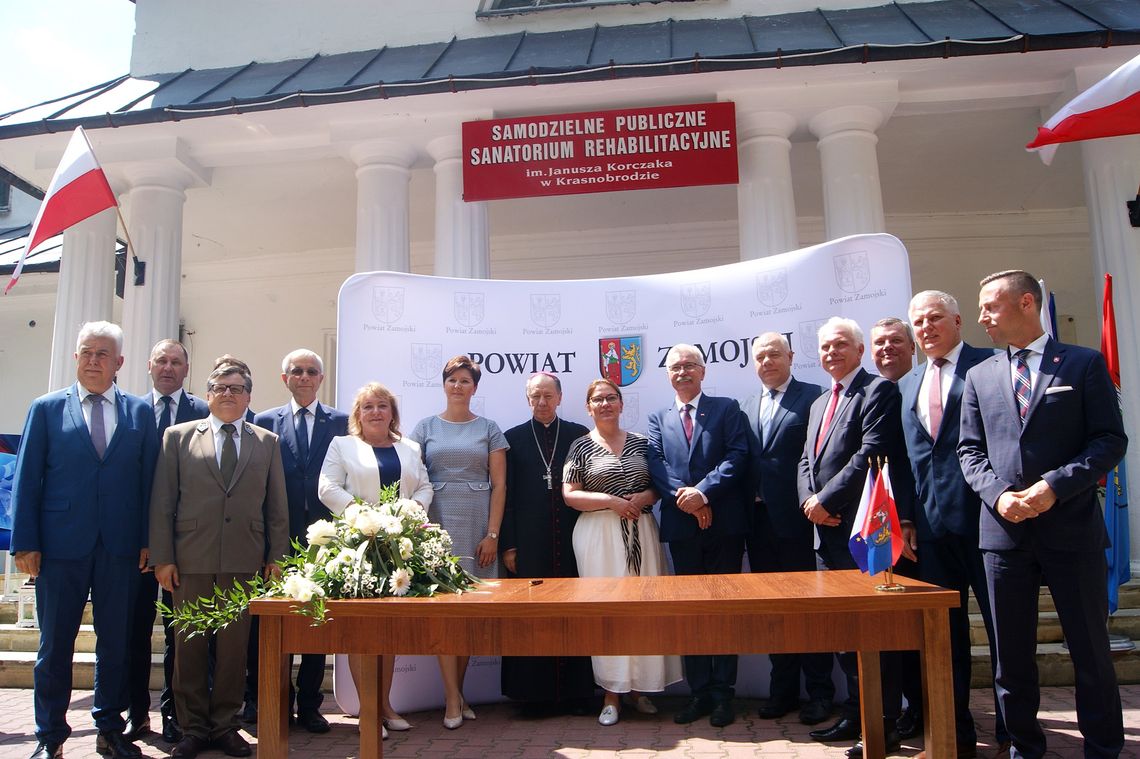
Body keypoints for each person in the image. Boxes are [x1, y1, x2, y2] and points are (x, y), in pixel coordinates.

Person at [958, 270, 1126, 759]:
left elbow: (1109, 441)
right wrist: (998, 495)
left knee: (1091, 651)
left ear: (1027, 303)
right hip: (1004, 535)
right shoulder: (980, 375)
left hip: (1071, 530)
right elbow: (969, 452)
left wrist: (1054, 487)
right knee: (1011, 658)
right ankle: (1023, 749)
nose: (983, 317)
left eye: (991, 306)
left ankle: (1102, 748)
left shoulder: (1083, 364)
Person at [10, 321, 159, 759]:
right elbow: (27, 479)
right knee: (54, 646)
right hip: (59, 548)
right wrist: (25, 542)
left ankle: (110, 730)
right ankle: (49, 737)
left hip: (121, 547)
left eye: (102, 354)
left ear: (119, 363)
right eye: (86, 353)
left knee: (115, 644)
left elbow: (150, 481)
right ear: (76, 358)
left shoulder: (139, 413)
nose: (93, 361)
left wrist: (151, 540)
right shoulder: (46, 408)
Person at [149, 360, 289, 759]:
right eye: (220, 387)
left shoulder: (266, 442)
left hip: (244, 560)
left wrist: (276, 556)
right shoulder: (177, 438)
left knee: (233, 650)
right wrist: (163, 557)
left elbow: (276, 507)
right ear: (208, 395)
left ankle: (225, 726)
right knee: (189, 647)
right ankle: (193, 728)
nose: (228, 393)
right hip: (190, 559)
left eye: (236, 388)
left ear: (248, 396)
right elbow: (163, 502)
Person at [900, 290, 1007, 759]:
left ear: (958, 321)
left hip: (989, 522)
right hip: (931, 531)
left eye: (935, 318)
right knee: (945, 638)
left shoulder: (992, 366)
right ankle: (956, 731)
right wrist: (906, 518)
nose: (926, 327)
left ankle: (1013, 730)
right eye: (919, 321)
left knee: (1005, 632)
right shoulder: (907, 384)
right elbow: (907, 460)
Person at [796, 317, 910, 750]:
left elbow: (871, 452)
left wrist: (827, 501)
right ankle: (856, 713)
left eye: (841, 345)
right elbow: (805, 462)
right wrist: (811, 504)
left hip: (863, 532)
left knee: (874, 632)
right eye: (825, 346)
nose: (831, 353)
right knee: (843, 632)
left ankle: (884, 723)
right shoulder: (818, 402)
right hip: (824, 534)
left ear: (860, 350)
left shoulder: (877, 390)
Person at [563, 378, 682, 726]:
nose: (605, 404)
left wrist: (646, 498)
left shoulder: (642, 444)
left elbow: (658, 486)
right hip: (598, 533)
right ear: (588, 407)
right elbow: (570, 494)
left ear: (621, 403)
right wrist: (610, 502)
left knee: (643, 607)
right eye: (597, 400)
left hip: (641, 531)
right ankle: (611, 695)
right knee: (608, 611)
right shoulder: (580, 447)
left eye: (611, 398)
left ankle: (638, 689)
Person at [318, 382, 432, 739]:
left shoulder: (410, 447)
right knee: (361, 633)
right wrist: (364, 516)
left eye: (382, 406)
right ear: (358, 414)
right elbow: (327, 487)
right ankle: (368, 710)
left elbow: (425, 487)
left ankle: (385, 705)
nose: (376, 412)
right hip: (358, 546)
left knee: (389, 630)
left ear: (392, 413)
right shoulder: (343, 445)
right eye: (368, 407)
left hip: (399, 548)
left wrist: (408, 512)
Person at [245, 350, 348, 733]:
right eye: (296, 371)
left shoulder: (339, 422)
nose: (303, 377)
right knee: (272, 622)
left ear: (320, 378)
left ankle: (309, 705)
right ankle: (271, 699)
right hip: (277, 534)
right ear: (284, 377)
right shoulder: (265, 420)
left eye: (311, 371)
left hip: (324, 537)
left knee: (316, 622)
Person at [647, 344, 749, 728]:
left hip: (724, 524)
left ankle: (724, 694)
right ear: (668, 374)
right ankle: (699, 692)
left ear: (703, 371)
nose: (683, 372)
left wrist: (703, 493)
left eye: (690, 365)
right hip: (682, 526)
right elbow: (655, 463)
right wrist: (686, 499)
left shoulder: (726, 408)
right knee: (691, 611)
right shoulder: (658, 417)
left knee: (724, 611)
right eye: (675, 367)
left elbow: (738, 456)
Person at [409, 355, 508, 729]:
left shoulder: (489, 429)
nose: (458, 386)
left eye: (465, 381)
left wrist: (492, 534)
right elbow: (414, 479)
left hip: (477, 525)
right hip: (437, 524)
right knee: (443, 611)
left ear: (475, 388)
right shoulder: (424, 428)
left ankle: (458, 692)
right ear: (443, 384)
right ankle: (452, 698)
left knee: (465, 614)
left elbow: (500, 485)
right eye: (452, 380)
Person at [739, 333, 832, 726]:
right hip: (758, 527)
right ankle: (783, 691)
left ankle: (821, 694)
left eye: (774, 354)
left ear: (791, 356)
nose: (767, 361)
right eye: (760, 356)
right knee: (774, 613)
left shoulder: (814, 397)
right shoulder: (745, 406)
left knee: (807, 612)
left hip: (799, 523)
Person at [127, 339, 209, 746]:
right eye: (161, 360)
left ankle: (176, 713)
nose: (168, 367)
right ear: (149, 365)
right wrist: (146, 541)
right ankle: (136, 713)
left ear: (186, 368)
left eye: (176, 361)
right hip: (138, 547)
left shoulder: (204, 412)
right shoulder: (130, 410)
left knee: (182, 633)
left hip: (189, 546)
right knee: (135, 630)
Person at [499, 373, 593, 715]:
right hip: (529, 540)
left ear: (559, 397)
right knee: (530, 616)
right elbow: (503, 495)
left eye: (547, 396)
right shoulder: (512, 439)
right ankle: (532, 695)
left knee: (575, 613)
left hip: (572, 538)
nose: (541, 402)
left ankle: (578, 693)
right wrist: (508, 545)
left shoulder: (578, 436)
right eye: (535, 396)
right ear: (527, 399)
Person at [865, 317, 923, 756]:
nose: (886, 349)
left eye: (895, 341)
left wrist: (910, 519)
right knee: (895, 627)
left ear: (913, 345)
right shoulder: (875, 392)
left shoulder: (927, 384)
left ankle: (933, 710)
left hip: (924, 527)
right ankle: (911, 712)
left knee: (926, 627)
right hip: (885, 531)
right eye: (879, 343)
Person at [870, 316, 917, 382]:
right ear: (872, 352)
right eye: (880, 342)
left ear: (912, 348)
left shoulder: (928, 385)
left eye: (896, 340)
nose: (887, 346)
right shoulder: (863, 391)